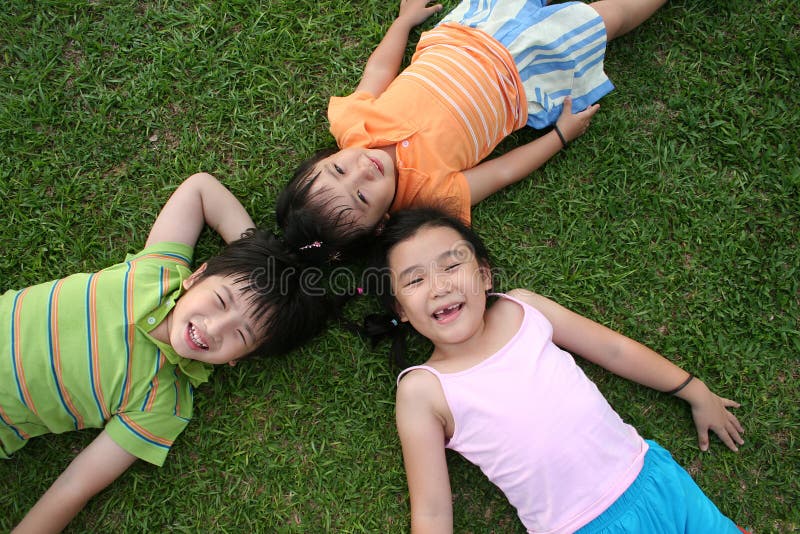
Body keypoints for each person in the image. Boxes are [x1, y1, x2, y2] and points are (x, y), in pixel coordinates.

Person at [365, 206, 749, 533]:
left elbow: (613, 350)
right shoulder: (422, 390)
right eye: (415, 280)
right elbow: (432, 509)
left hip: (656, 480)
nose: (439, 286)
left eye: (451, 264)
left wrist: (692, 389)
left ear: (484, 275)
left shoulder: (523, 309)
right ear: (400, 309)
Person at [2, 172, 330, 533]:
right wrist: (261, 261)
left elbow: (73, 486)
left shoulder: (163, 403)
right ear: (196, 275)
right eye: (221, 299)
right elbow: (202, 189)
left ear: (240, 358)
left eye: (241, 334)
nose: (214, 328)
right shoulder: (156, 271)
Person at [276, 0, 666, 260]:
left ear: (324, 160)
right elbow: (502, 172)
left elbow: (379, 71)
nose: (363, 169)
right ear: (381, 222)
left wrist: (403, 21)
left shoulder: (352, 124)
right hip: (524, 72)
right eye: (362, 196)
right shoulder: (430, 195)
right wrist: (560, 136)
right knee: (608, 19)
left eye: (338, 170)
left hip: (469, 30)